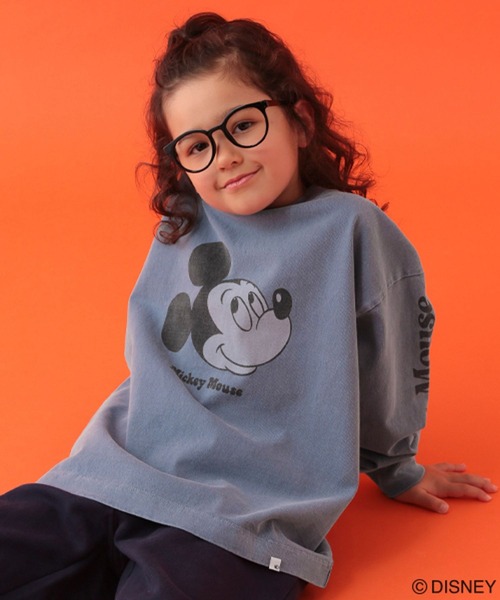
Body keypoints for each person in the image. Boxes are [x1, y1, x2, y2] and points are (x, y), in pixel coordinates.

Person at [0, 12, 496, 600]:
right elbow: (149, 349)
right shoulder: (183, 221)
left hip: (242, 514)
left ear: (300, 121)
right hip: (111, 473)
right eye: (197, 145)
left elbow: (390, 359)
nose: (224, 156)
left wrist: (397, 468)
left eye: (242, 126)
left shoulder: (350, 230)